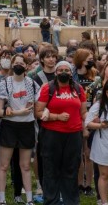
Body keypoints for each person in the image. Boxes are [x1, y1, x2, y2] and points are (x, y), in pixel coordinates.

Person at [34, 60, 87, 205]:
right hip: (52, 134)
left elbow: (83, 112)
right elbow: (38, 112)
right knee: (51, 168)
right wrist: (56, 117)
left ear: (71, 73)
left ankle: (71, 201)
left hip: (74, 134)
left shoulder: (78, 88)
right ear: (56, 72)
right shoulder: (48, 88)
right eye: (60, 70)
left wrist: (88, 124)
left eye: (67, 70)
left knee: (71, 168)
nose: (64, 73)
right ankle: (52, 200)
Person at [0, 54, 38, 205]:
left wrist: (15, 111)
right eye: (16, 62)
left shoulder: (32, 84)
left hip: (27, 126)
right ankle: (2, 199)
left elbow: (35, 107)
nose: (18, 65)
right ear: (12, 65)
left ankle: (30, 199)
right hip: (9, 127)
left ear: (26, 66)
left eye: (22, 63)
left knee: (25, 166)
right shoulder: (5, 83)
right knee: (4, 165)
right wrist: (18, 112)